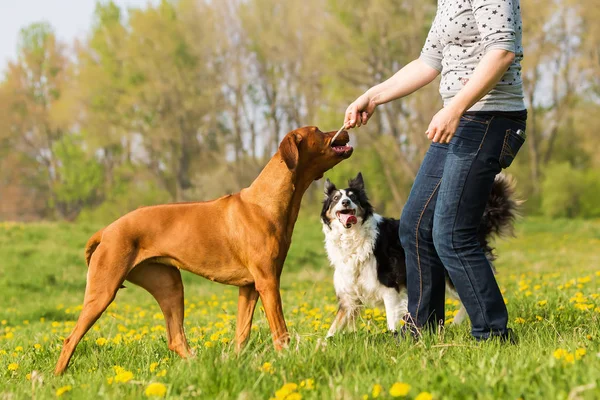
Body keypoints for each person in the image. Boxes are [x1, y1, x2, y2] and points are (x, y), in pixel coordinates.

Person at [344, 0, 526, 341]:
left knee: (452, 233)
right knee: (415, 224)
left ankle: (493, 334)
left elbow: (502, 52)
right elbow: (429, 62)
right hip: (459, 118)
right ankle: (422, 328)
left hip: (490, 118)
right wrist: (373, 95)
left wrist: (455, 108)